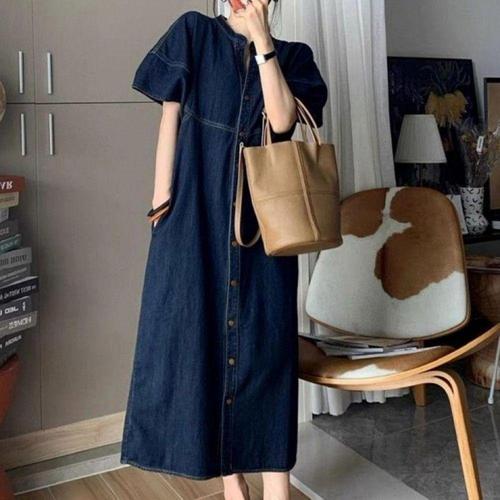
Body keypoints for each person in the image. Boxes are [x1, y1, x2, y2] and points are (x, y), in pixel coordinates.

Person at [120, 1, 328, 499]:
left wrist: (262, 43)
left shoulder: (295, 56)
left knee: (266, 354)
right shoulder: (193, 32)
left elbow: (282, 122)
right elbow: (170, 116)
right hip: (192, 215)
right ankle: (233, 485)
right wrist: (162, 202)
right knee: (199, 343)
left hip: (268, 226)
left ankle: (276, 488)